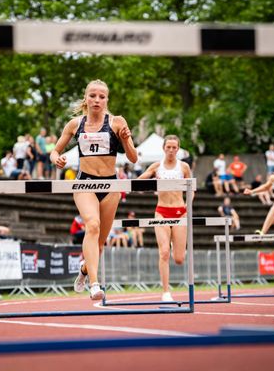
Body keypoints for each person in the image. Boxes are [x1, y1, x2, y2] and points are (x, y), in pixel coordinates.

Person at [49, 79, 137, 301]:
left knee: (98, 245)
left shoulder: (117, 122)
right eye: (93, 96)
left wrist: (126, 141)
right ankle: (94, 284)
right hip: (85, 183)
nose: (97, 100)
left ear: (107, 100)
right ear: (86, 98)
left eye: (101, 96)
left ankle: (85, 269)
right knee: (93, 225)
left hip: (111, 185)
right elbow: (54, 150)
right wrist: (56, 158)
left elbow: (133, 158)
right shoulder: (74, 124)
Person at [137, 135, 192, 302]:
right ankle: (166, 291)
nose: (171, 150)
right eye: (168, 147)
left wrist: (188, 207)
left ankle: (178, 245)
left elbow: (192, 188)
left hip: (179, 212)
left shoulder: (184, 167)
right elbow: (140, 180)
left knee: (179, 259)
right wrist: (142, 180)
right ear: (164, 148)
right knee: (164, 252)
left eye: (174, 147)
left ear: (178, 149)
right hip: (161, 211)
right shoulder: (156, 166)